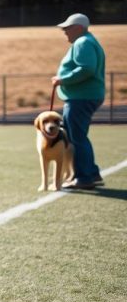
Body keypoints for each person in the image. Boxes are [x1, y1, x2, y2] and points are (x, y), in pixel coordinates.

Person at [52, 13, 106, 190]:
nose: (65, 32)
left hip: (81, 97)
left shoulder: (83, 42)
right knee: (77, 136)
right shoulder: (87, 41)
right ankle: (92, 173)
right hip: (84, 96)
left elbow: (86, 69)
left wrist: (62, 79)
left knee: (76, 138)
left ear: (78, 28)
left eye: (67, 28)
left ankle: (84, 178)